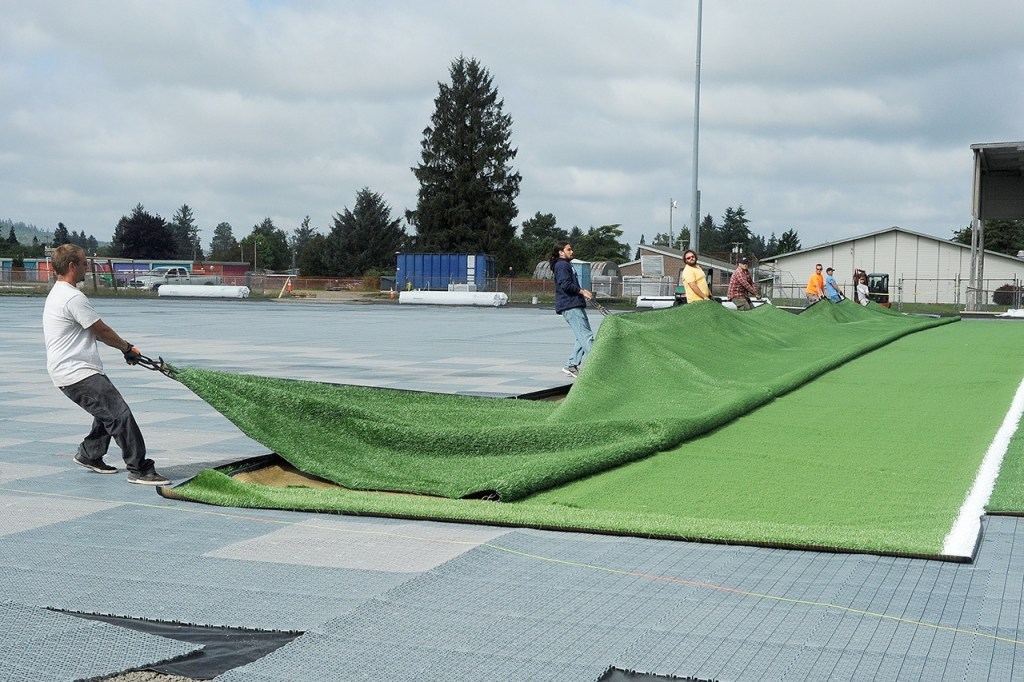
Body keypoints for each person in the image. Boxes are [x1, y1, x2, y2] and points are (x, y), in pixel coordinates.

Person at [43, 244, 171, 485]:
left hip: (71, 370)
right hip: (76, 372)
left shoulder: (58, 292)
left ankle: (90, 454)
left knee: (105, 413)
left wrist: (126, 349)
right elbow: (100, 331)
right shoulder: (72, 297)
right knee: (119, 414)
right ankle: (140, 468)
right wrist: (127, 348)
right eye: (83, 263)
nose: (87, 267)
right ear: (72, 266)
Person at [549, 242, 594, 379]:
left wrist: (581, 294)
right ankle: (599, 364)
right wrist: (582, 291)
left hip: (574, 304)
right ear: (561, 252)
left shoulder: (566, 265)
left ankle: (571, 364)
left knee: (581, 336)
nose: (572, 251)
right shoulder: (562, 265)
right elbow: (565, 284)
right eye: (569, 249)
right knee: (586, 336)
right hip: (570, 306)